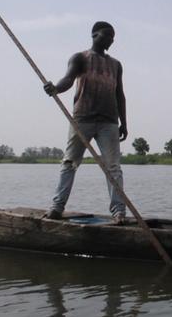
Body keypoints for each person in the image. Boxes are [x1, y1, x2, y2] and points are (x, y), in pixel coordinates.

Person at [43, 21, 128, 224]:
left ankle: (119, 212)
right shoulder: (80, 58)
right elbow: (68, 80)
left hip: (109, 122)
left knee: (113, 167)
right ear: (94, 34)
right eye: (107, 35)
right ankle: (57, 208)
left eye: (113, 37)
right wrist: (55, 88)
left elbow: (120, 95)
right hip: (83, 119)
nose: (111, 40)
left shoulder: (116, 64)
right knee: (70, 163)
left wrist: (124, 123)